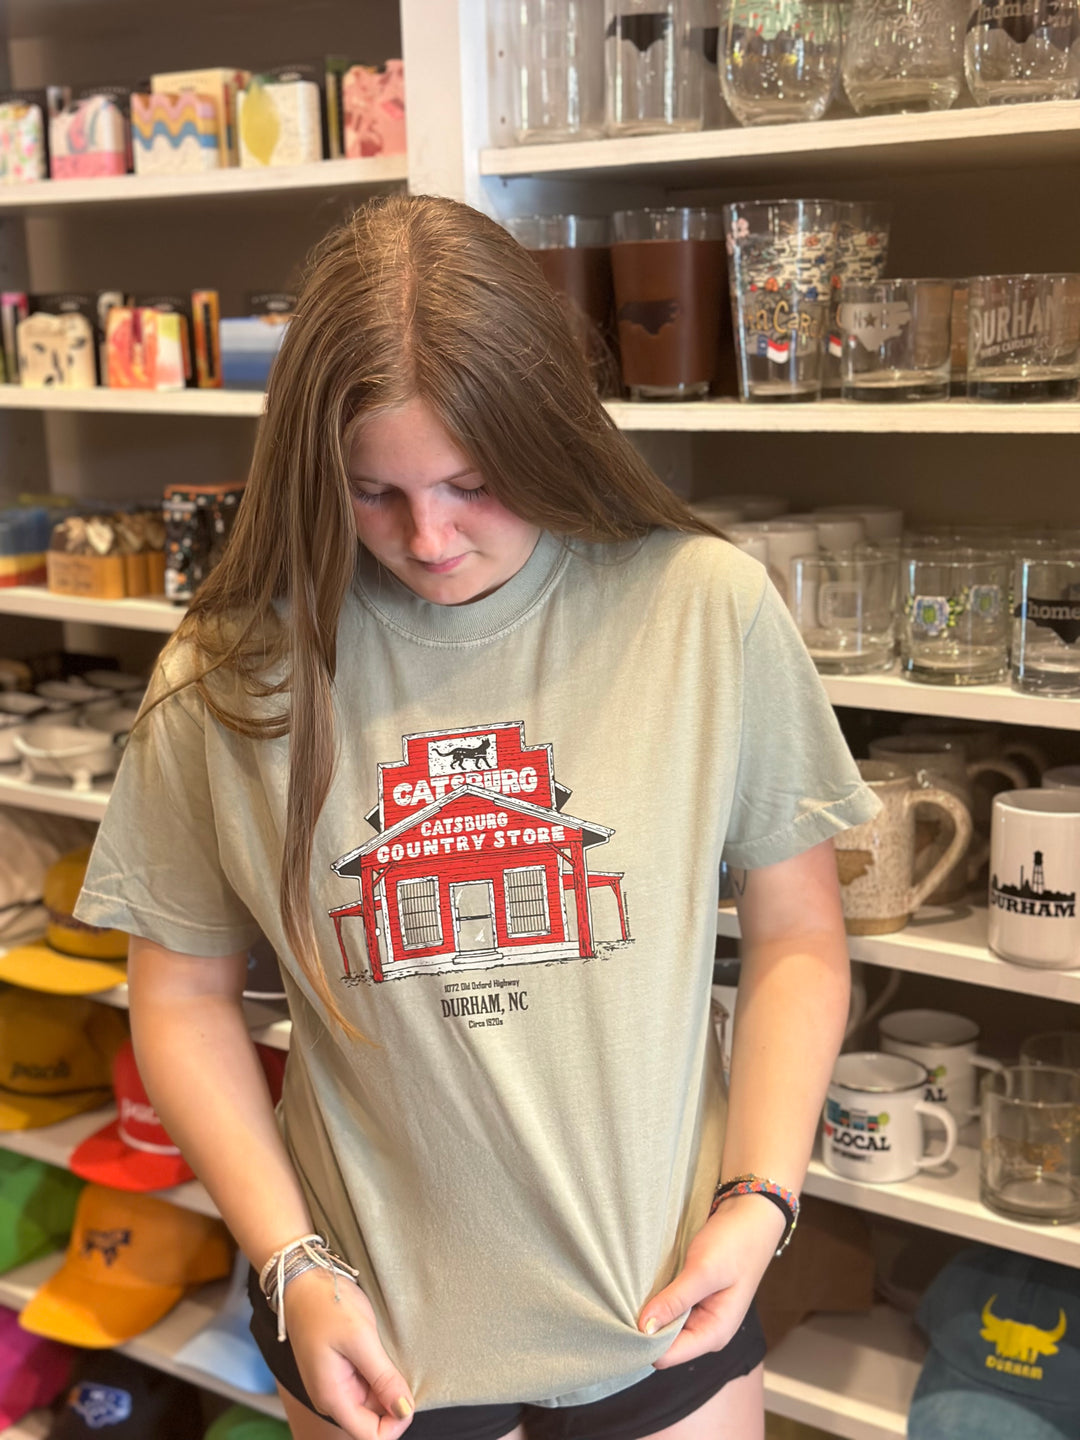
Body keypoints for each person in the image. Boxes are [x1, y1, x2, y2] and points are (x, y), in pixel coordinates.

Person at [75, 194, 878, 1440]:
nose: (430, 539)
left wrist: (762, 1200)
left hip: (667, 1300)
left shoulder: (704, 608)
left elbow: (798, 939)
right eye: (372, 493)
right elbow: (179, 997)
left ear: (551, 432)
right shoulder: (231, 670)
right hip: (373, 1323)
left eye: (475, 483)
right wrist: (289, 1263)